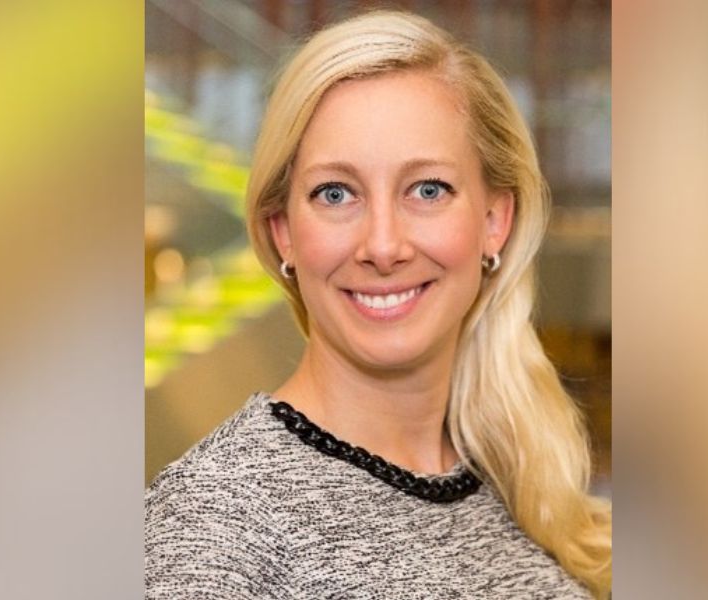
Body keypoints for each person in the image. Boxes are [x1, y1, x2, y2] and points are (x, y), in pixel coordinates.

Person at [145, 10, 611, 599]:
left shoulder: (523, 482)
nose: (384, 247)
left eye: (427, 190)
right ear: (283, 233)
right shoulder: (211, 525)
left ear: (495, 220)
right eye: (335, 194)